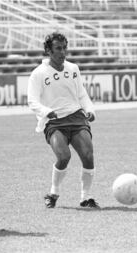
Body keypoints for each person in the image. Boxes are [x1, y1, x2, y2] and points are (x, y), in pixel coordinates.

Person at [27, 32, 99, 209]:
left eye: (64, 48)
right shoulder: (38, 74)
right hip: (54, 121)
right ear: (48, 51)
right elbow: (32, 101)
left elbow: (81, 93)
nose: (63, 52)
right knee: (63, 156)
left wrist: (89, 110)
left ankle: (86, 197)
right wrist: (46, 111)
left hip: (76, 117)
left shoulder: (73, 68)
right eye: (58, 48)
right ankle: (53, 193)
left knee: (88, 156)